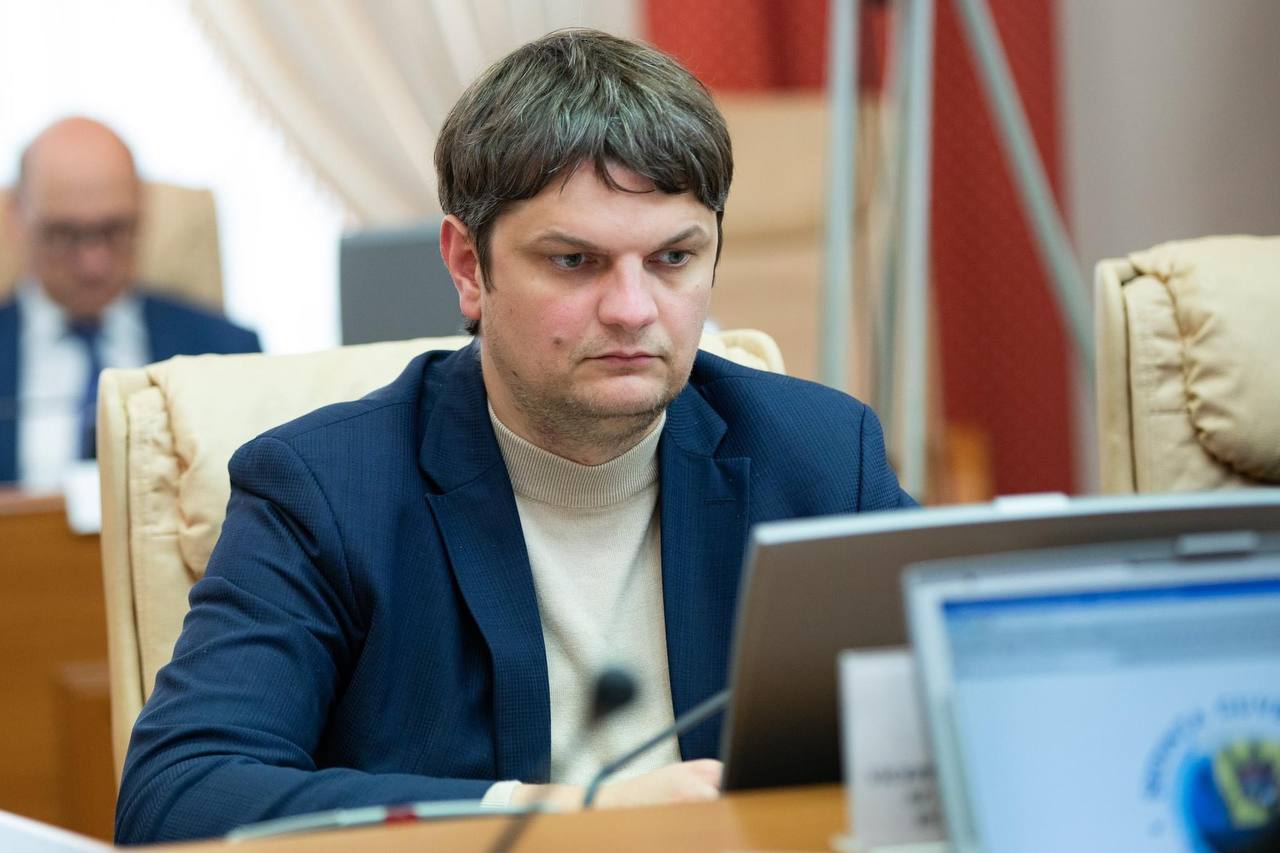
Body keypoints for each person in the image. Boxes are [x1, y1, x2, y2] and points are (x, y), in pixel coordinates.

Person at [115, 30, 914, 844]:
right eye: (574, 261)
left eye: (674, 257)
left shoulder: (819, 454)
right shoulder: (326, 489)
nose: (633, 308)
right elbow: (179, 795)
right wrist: (566, 814)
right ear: (468, 266)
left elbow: (955, 702)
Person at [0, 117, 260, 489]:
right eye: (64, 234)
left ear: (142, 209)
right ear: (17, 216)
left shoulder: (227, 353)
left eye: (114, 230)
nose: (93, 264)